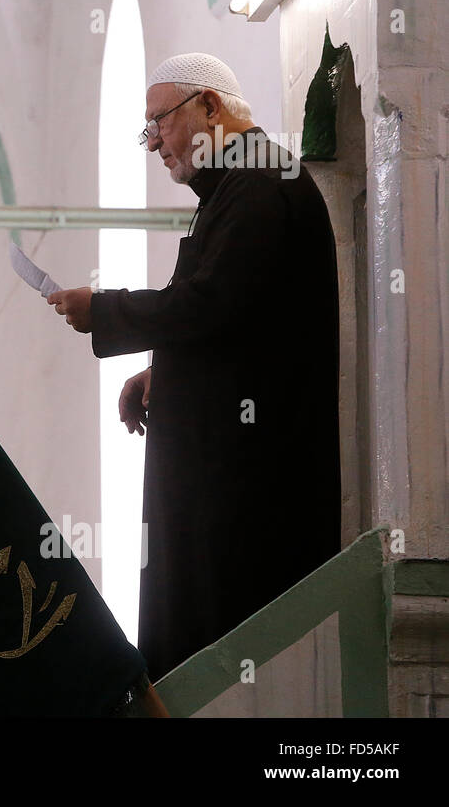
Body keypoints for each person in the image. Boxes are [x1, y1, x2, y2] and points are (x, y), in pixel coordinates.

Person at [46, 52, 342, 679]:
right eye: (147, 128)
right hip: (217, 483)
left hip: (245, 493)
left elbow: (210, 302)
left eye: (161, 121)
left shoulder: (260, 181)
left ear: (210, 106)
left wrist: (102, 309)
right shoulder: (232, 190)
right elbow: (234, 316)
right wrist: (163, 373)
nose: (154, 141)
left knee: (226, 655)